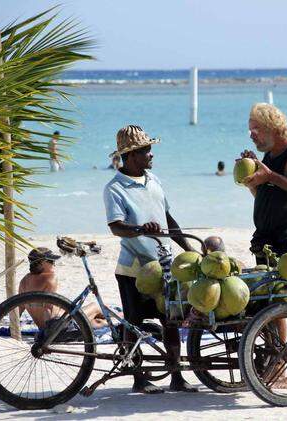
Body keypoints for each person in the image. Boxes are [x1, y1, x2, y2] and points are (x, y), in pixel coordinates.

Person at [103, 125, 198, 394]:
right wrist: (141, 229)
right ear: (130, 156)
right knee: (134, 322)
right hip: (133, 269)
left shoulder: (154, 180)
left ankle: (176, 376)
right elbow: (116, 226)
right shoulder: (115, 188)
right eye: (146, 150)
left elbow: (169, 221)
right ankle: (138, 377)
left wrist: (190, 249)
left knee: (171, 321)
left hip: (164, 266)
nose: (151, 154)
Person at [240, 103, 287, 389]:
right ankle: (277, 364)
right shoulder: (267, 157)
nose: (251, 134)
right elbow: (267, 196)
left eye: (255, 128)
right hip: (265, 240)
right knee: (268, 305)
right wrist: (253, 181)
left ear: (272, 127)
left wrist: (270, 175)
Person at [18, 247, 120, 329]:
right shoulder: (50, 278)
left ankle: (118, 319)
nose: (54, 263)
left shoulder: (24, 281)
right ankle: (123, 316)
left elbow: (19, 309)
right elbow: (48, 309)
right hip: (59, 326)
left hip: (46, 326)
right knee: (95, 306)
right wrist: (47, 334)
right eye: (50, 260)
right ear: (41, 263)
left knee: (97, 321)